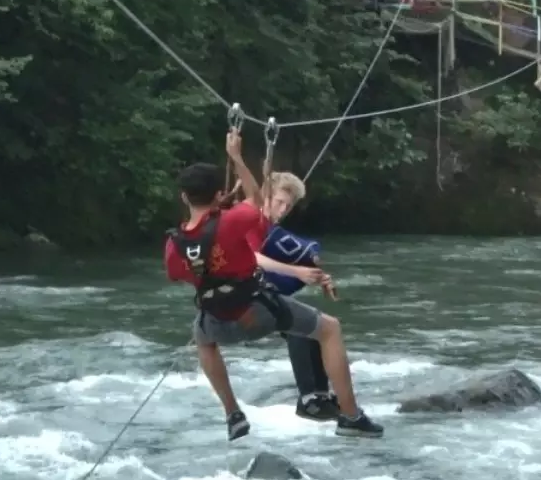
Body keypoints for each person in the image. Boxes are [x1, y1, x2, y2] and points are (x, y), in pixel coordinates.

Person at [163, 129, 383, 441]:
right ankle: (351, 416)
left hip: (217, 321)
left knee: (202, 338)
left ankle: (233, 413)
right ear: (217, 195)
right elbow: (255, 200)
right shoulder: (233, 221)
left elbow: (182, 275)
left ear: (184, 197)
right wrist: (236, 158)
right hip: (257, 313)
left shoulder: (173, 246)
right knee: (329, 328)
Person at [258, 171, 339, 422]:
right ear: (265, 196)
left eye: (288, 205)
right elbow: (252, 256)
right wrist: (297, 271)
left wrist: (315, 274)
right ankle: (307, 399)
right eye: (279, 202)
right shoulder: (249, 222)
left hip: (261, 291)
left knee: (316, 326)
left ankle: (321, 395)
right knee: (297, 326)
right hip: (239, 295)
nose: (282, 209)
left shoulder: (272, 230)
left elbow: (293, 252)